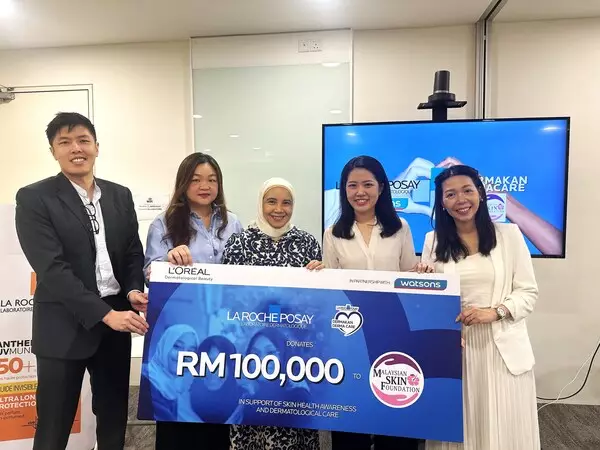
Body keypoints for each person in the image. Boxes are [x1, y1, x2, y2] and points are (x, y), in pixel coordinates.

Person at [14, 112, 149, 450]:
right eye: (65, 142)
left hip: (116, 324)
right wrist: (105, 314)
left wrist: (133, 289)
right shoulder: (34, 198)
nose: (76, 148)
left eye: (83, 140)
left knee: (113, 420)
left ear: (96, 147)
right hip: (63, 326)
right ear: (53, 151)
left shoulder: (120, 195)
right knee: (54, 427)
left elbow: (132, 251)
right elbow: (52, 269)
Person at [420, 164, 540, 450]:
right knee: (459, 425)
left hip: (501, 349)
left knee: (503, 425)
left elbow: (528, 292)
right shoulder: (432, 241)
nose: (460, 200)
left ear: (481, 194)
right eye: (450, 194)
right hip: (456, 348)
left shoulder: (509, 235)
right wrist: (422, 282)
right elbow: (429, 302)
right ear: (442, 202)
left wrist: (496, 312)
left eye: (467, 190)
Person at [322, 155, 426, 450]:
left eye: (367, 184)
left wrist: (422, 274)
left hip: (395, 333)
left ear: (381, 187)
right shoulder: (333, 233)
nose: (360, 192)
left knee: (394, 415)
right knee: (351, 419)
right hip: (350, 336)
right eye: (352, 185)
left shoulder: (400, 227)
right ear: (344, 190)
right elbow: (331, 289)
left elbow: (408, 277)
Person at [144, 152, 243, 449]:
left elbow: (244, 271)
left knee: (213, 406)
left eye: (211, 180)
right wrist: (168, 260)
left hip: (222, 335)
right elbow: (150, 273)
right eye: (196, 179)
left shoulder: (233, 223)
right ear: (184, 183)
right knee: (177, 422)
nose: (205, 186)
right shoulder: (163, 223)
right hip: (184, 330)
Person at [222, 177, 322, 450]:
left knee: (292, 423)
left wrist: (321, 275)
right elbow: (229, 298)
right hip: (252, 355)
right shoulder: (240, 242)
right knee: (253, 423)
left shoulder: (307, 243)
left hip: (293, 356)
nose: (279, 209)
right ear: (261, 203)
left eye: (286, 202)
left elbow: (315, 303)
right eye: (271, 201)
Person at [140, 324, 200, 421]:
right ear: (165, 345)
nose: (183, 355)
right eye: (177, 346)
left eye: (191, 351)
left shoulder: (179, 388)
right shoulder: (146, 380)